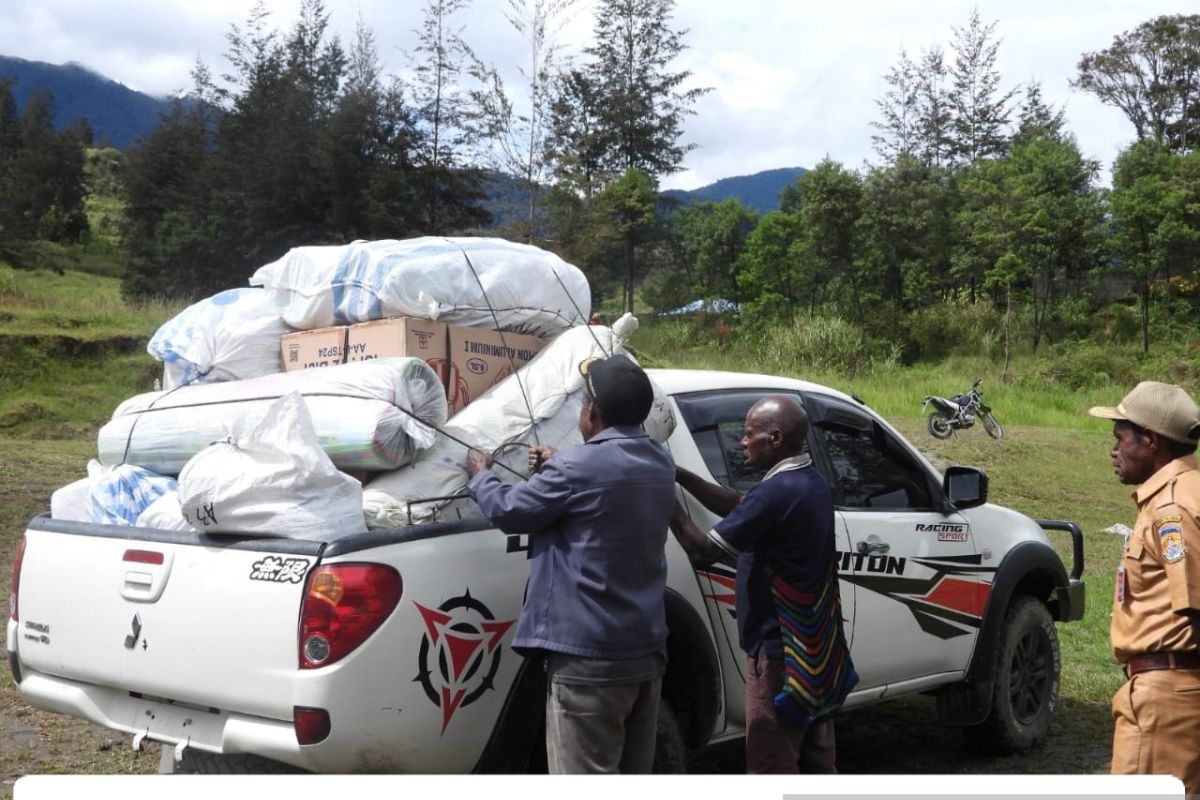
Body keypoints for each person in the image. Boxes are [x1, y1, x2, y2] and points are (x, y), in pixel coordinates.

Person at [464, 353, 675, 774]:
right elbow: (604, 478)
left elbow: (510, 510)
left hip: (588, 663)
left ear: (591, 412)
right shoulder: (660, 461)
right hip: (645, 654)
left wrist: (480, 474)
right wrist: (560, 463)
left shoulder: (576, 469)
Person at [668, 394, 856, 774]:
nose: (741, 441)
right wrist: (680, 476)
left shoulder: (776, 493)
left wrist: (663, 497)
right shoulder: (809, 481)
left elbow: (703, 551)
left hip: (779, 652)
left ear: (773, 439)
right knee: (819, 758)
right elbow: (743, 506)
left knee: (772, 761)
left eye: (748, 434)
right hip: (816, 652)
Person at [1089, 381, 1200, 794]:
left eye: (1120, 438)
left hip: (1167, 699)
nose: (1113, 450)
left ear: (1150, 440)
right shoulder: (1185, 492)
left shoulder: (1172, 508)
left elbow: (1196, 608)